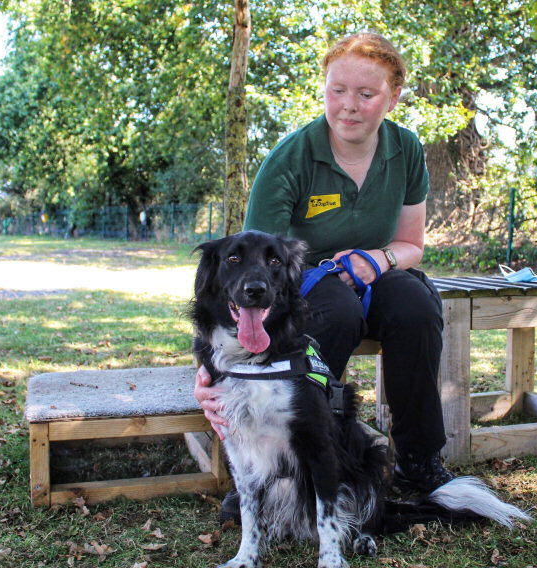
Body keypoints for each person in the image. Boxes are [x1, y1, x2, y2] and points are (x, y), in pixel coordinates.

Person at [194, 31, 452, 521]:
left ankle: (419, 461)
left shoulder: (407, 150)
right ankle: (281, 466)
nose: (349, 106)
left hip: (377, 272)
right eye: (337, 90)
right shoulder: (291, 158)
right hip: (303, 283)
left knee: (418, 307)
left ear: (393, 97)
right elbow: (250, 271)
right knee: (335, 308)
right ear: (325, 89)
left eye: (366, 94)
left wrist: (381, 260)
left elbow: (411, 244)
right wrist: (207, 369)